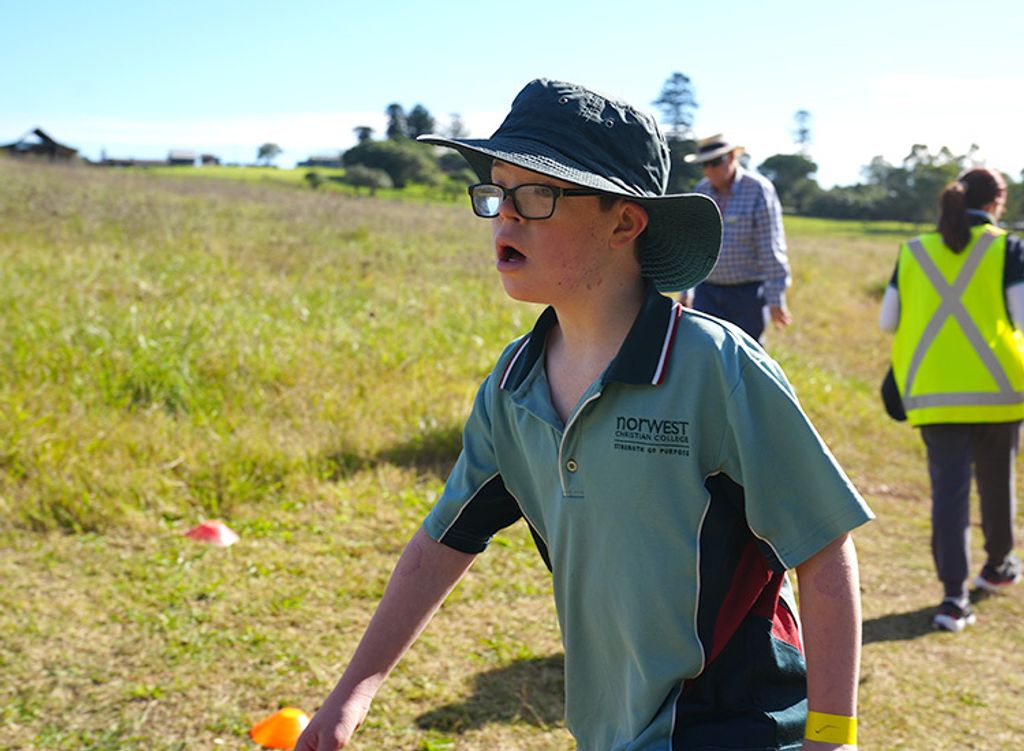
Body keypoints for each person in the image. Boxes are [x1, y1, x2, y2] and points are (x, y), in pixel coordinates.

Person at [296, 79, 873, 751]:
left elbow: (823, 545)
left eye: (537, 196)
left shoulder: (716, 367)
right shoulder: (512, 386)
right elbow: (440, 545)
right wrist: (352, 692)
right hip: (609, 731)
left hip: (738, 724)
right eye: (497, 194)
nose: (506, 219)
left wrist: (833, 736)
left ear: (624, 223)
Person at [880, 167, 1024, 633]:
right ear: (997, 201)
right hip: (1000, 391)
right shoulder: (1007, 248)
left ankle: (952, 599)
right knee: (997, 482)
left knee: (949, 494)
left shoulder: (914, 250)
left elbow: (887, 321)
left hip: (934, 394)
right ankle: (998, 567)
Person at [680, 134, 792, 342]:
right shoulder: (701, 190)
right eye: (705, 164)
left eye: (715, 162)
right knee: (707, 350)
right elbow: (694, 245)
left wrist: (776, 300)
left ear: (732, 157)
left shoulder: (758, 189)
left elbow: (770, 246)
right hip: (707, 291)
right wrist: (687, 290)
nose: (709, 170)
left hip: (748, 293)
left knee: (746, 351)